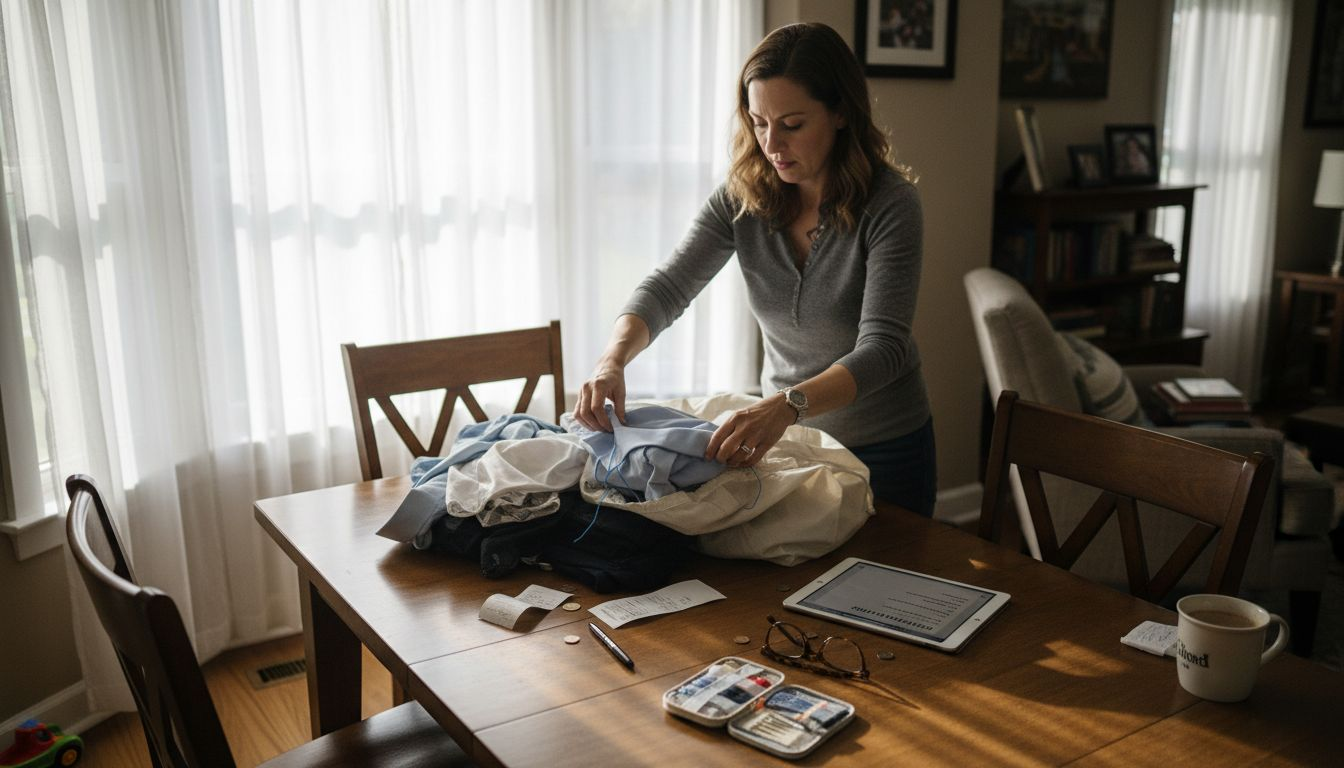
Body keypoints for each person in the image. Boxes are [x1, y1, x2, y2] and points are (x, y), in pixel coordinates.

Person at [572, 22, 936, 517]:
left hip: (884, 450)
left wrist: (786, 405)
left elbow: (884, 348)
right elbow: (668, 286)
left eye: (791, 124)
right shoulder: (742, 198)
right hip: (793, 447)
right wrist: (612, 360)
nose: (771, 144)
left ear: (841, 114)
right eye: (759, 122)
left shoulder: (891, 204)